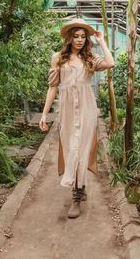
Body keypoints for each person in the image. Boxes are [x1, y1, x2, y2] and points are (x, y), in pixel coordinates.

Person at [39, 18, 114, 219]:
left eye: (83, 36)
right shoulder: (58, 58)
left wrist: (102, 42)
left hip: (87, 107)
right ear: (69, 38)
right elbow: (53, 87)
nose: (80, 40)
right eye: (76, 36)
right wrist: (45, 114)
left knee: (81, 147)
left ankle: (76, 196)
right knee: (70, 144)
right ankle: (79, 186)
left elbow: (110, 63)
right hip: (67, 108)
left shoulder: (90, 57)